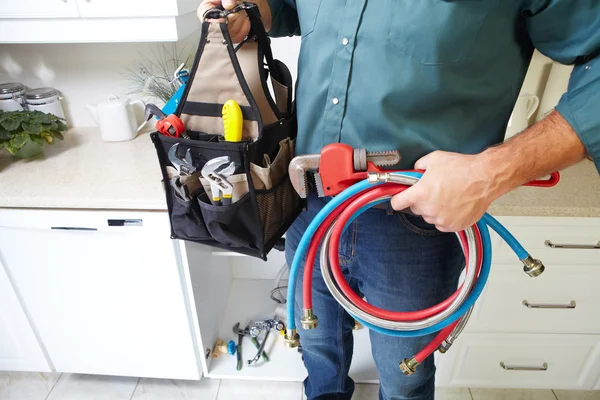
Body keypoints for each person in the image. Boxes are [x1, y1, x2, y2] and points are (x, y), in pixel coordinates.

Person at [197, 1, 600, 399]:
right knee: (317, 347)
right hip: (309, 199)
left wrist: (491, 171)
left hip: (417, 220)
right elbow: (289, 8)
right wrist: (253, 12)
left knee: (405, 377)